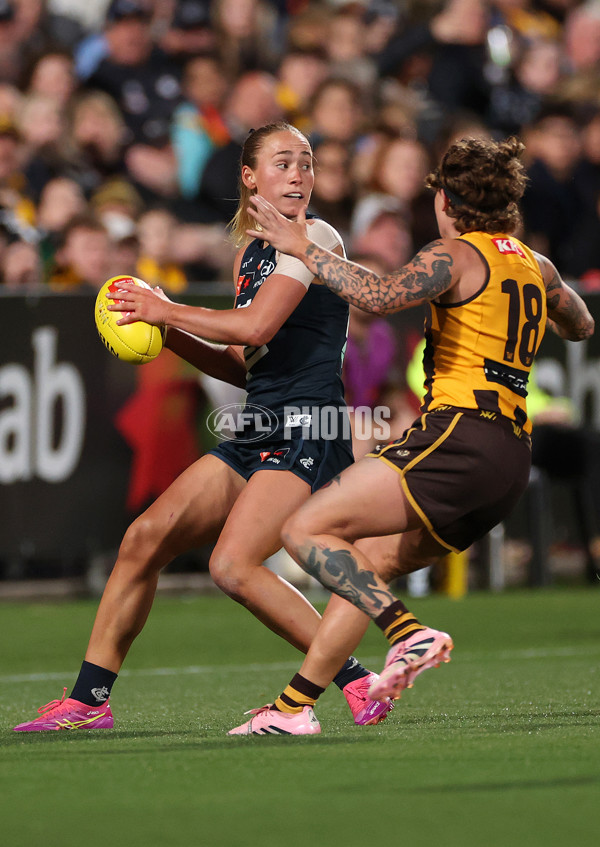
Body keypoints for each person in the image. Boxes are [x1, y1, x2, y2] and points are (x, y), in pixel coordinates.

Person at [13, 121, 394, 732]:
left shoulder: (315, 236)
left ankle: (356, 680)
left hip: (308, 429)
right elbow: (249, 365)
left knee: (232, 566)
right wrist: (168, 334)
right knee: (143, 539)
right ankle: (88, 702)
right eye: (283, 162)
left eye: (306, 163)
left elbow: (256, 329)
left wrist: (166, 308)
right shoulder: (252, 252)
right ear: (249, 177)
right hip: (261, 427)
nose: (298, 174)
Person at [225, 134, 595, 735]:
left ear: (447, 200)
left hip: (458, 435)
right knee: (368, 562)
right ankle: (294, 708)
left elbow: (377, 296)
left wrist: (302, 246)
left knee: (305, 527)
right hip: (508, 460)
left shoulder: (454, 256)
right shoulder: (536, 264)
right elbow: (580, 324)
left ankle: (408, 634)